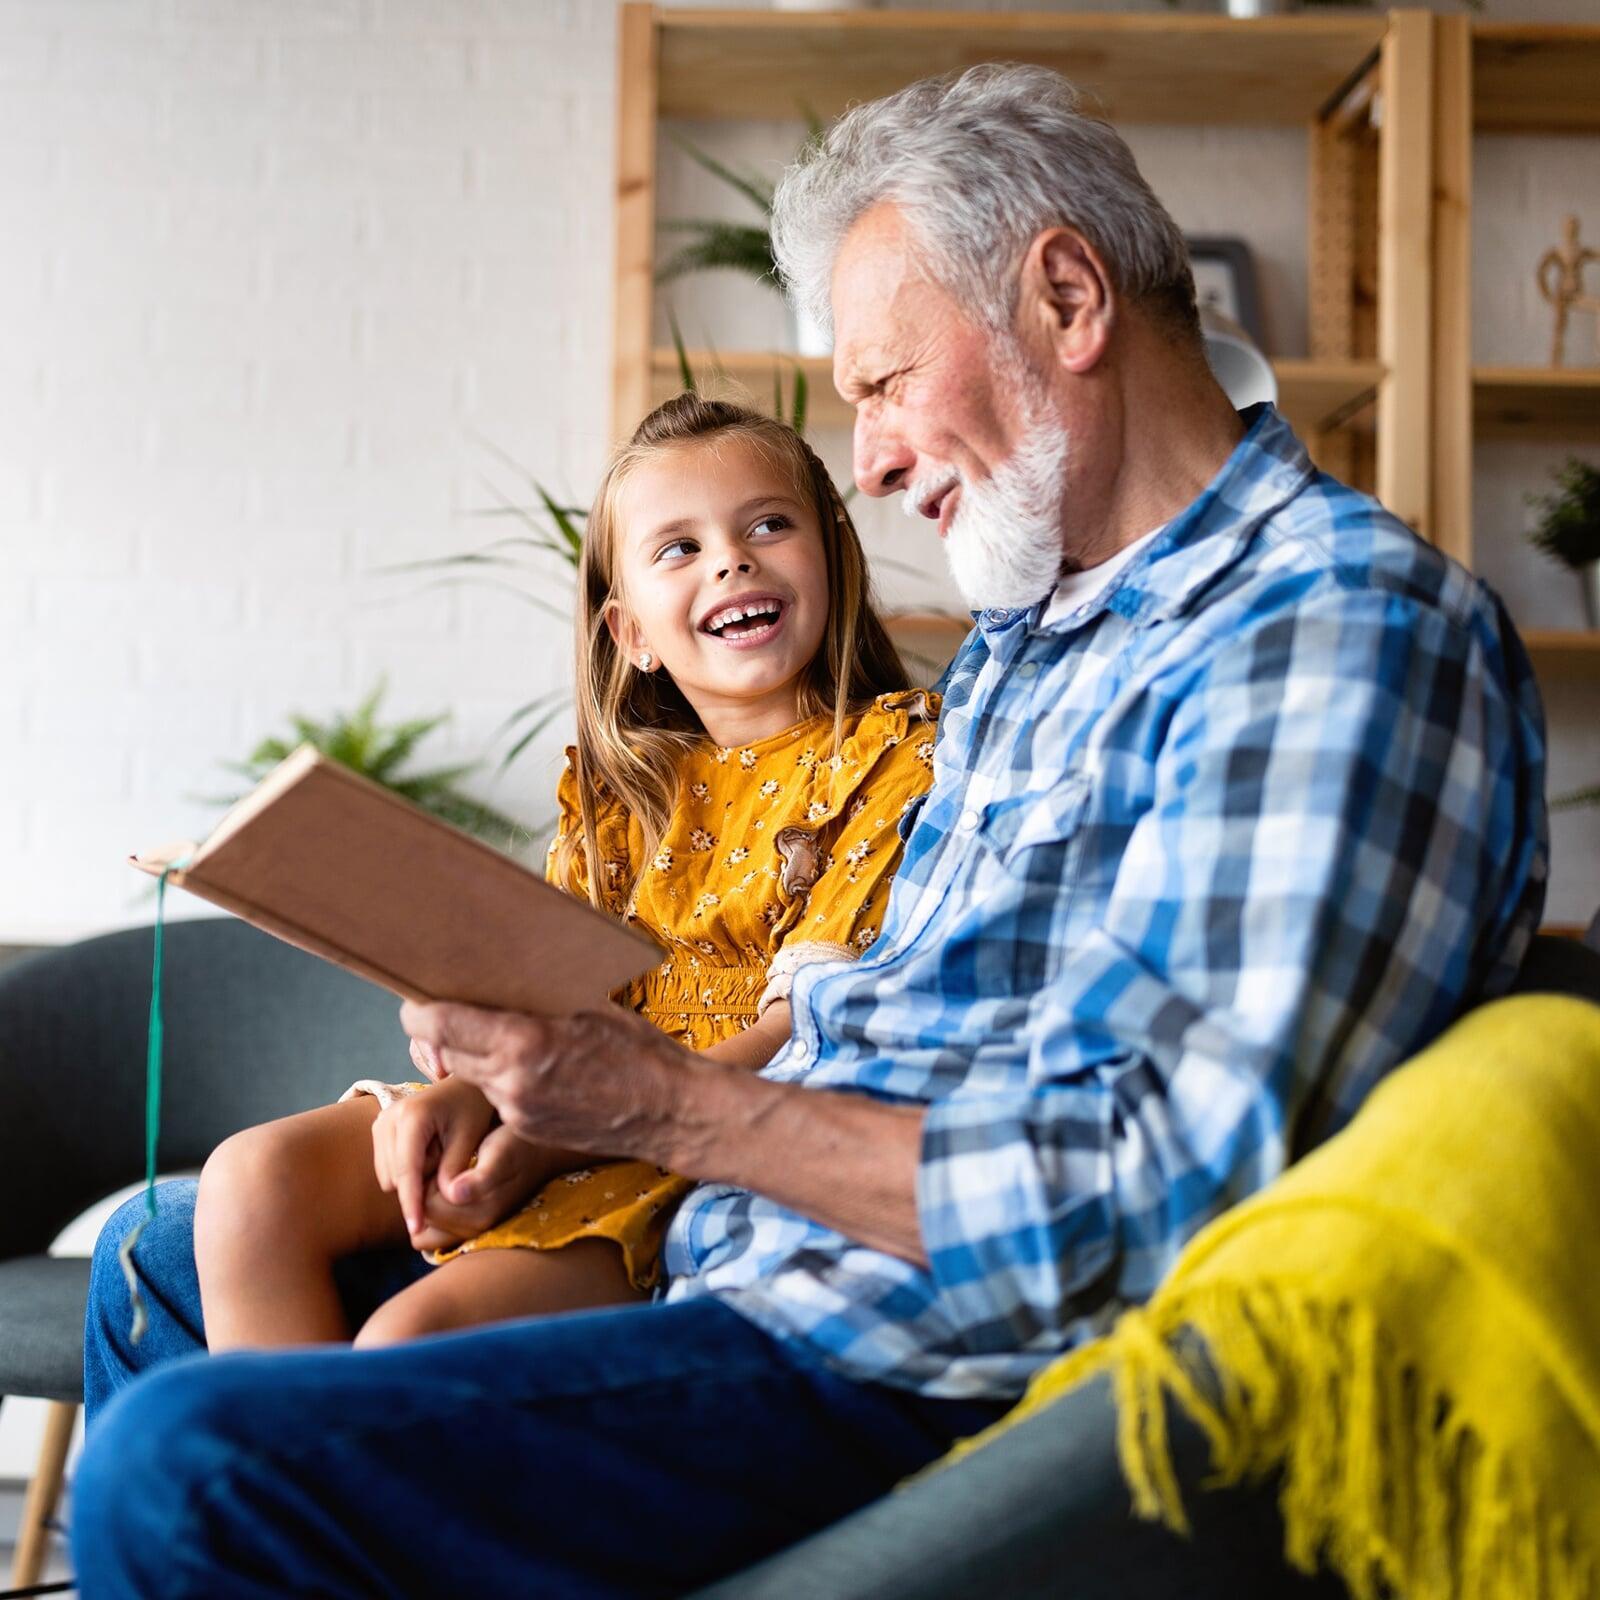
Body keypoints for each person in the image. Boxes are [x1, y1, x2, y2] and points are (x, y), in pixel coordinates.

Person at [73, 64, 1547, 1598]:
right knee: (160, 1265)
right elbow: (881, 1004)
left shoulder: (1326, 632)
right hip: (755, 1250)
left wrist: (658, 1110)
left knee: (189, 1472)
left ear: (1065, 298)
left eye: (883, 383)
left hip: (907, 1369)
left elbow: (1145, 1197)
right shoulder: (1040, 642)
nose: (875, 461)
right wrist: (554, 1118)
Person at [193, 393, 939, 1351]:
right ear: (630, 634)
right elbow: (551, 1002)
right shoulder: (618, 793)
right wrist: (471, 1086)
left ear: (833, 562)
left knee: (408, 1342)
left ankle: (334, 1482)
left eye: (769, 524)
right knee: (252, 1181)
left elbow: (808, 1025)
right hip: (552, 1091)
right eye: (679, 547)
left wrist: (554, 1127)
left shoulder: (893, 755)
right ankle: (265, 1486)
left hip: (706, 1132)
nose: (731, 558)